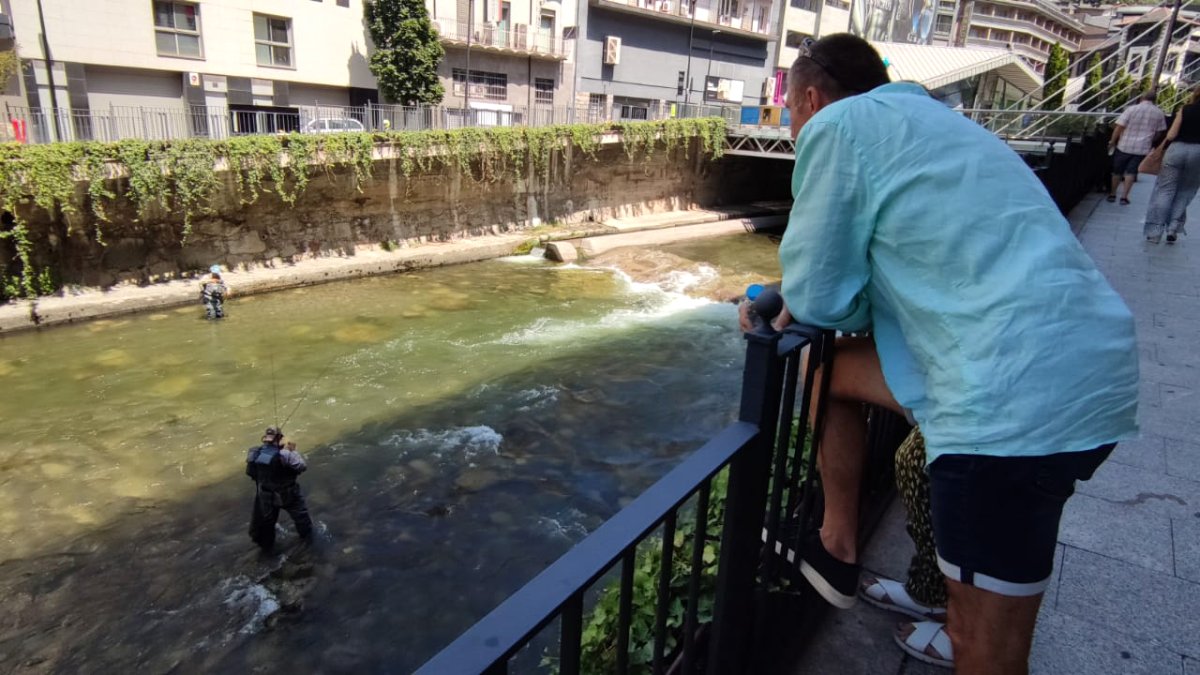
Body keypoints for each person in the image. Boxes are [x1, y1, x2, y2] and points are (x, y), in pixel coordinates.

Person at [773, 34, 1138, 674]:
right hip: (1083, 368)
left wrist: (794, 299)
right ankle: (838, 544)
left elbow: (823, 298)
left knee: (987, 651)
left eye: (792, 114)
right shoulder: (940, 123)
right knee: (823, 369)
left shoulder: (838, 126)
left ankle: (869, 561)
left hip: (1009, 403)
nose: (795, 128)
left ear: (810, 97)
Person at [1144, 86, 1200, 244]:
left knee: (1165, 190)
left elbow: (1171, 134)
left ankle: (1155, 232)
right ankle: (1173, 228)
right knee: (1185, 191)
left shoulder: (1185, 109)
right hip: (1198, 153)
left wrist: (1161, 147)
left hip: (1177, 150)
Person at [246, 426, 313, 552]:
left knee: (267, 523)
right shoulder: (285, 454)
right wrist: (293, 451)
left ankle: (267, 548)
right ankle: (308, 544)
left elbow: (251, 473)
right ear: (279, 438)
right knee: (302, 518)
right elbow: (302, 466)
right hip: (287, 495)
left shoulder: (255, 452)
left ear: (265, 438)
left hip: (265, 495)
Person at [1108, 92, 1166, 206]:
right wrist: (1152, 140)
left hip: (1124, 145)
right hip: (1142, 147)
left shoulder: (1131, 109)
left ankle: (1112, 194)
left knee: (1117, 171)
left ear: (1141, 98)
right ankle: (1124, 197)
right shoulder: (1159, 113)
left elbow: (1120, 126)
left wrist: (1112, 141)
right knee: (1131, 171)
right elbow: (1160, 132)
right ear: (1155, 100)